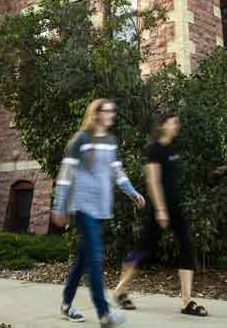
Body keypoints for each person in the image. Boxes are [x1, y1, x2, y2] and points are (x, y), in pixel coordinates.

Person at [51, 98, 145, 326]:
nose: (112, 114)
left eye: (113, 110)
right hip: (83, 206)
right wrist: (59, 206)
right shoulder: (81, 140)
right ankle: (103, 313)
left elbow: (117, 171)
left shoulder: (111, 141)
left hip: (102, 208)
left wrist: (132, 192)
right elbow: (65, 176)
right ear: (97, 113)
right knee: (95, 258)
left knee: (84, 259)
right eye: (108, 110)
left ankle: (65, 305)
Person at [113, 113, 208, 317]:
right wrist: (160, 209)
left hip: (176, 208)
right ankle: (120, 290)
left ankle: (186, 301)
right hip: (159, 209)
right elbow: (153, 182)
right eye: (174, 122)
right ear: (163, 126)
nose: (177, 126)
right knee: (144, 249)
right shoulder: (154, 149)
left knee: (186, 247)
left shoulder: (172, 148)